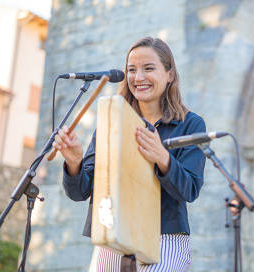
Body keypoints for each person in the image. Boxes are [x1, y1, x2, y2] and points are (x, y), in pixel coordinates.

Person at [53, 37, 206, 272]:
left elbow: (190, 189)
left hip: (163, 238)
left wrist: (162, 158)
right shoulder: (112, 121)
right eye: (131, 70)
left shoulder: (191, 124)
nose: (138, 78)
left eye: (149, 68)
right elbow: (80, 191)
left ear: (170, 75)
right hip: (112, 235)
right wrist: (74, 162)